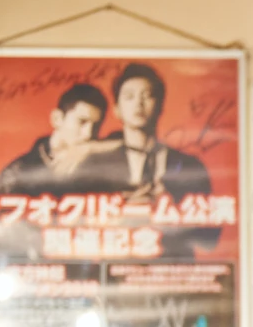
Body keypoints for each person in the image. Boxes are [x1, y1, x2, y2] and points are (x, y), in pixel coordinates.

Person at [69, 61, 217, 259]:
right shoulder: (94, 165)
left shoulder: (190, 166)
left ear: (160, 106)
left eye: (147, 96)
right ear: (117, 109)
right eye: (129, 97)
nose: (138, 104)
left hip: (171, 271)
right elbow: (73, 230)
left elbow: (210, 240)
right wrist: (125, 214)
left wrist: (172, 212)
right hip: (115, 270)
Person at [0, 83, 109, 197]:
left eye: (96, 126)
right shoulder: (17, 174)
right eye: (82, 122)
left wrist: (93, 148)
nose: (88, 134)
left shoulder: (100, 166)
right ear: (57, 119)